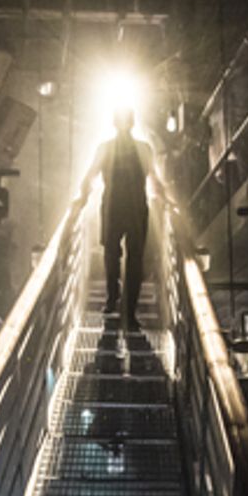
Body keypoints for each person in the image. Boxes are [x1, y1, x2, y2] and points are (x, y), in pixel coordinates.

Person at [78, 109, 164, 333]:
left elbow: (90, 175)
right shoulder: (144, 149)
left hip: (113, 206)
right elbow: (154, 178)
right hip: (135, 206)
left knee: (112, 254)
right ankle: (128, 309)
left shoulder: (105, 148)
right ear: (132, 123)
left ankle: (112, 298)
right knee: (133, 258)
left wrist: (82, 197)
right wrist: (166, 200)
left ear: (114, 122)